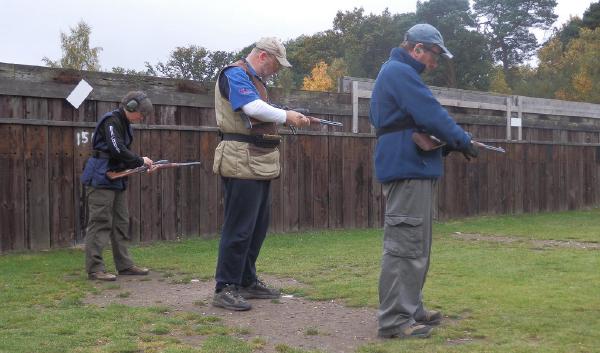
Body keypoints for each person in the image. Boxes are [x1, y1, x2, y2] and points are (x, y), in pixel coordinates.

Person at [369, 24, 478, 339]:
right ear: (417, 49)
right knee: (404, 247)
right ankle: (394, 320)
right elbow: (431, 114)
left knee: (416, 245)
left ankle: (411, 308)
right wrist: (462, 139)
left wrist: (455, 142)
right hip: (408, 169)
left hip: (413, 166)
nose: (436, 62)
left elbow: (420, 120)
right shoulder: (399, 73)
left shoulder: (399, 73)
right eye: (435, 54)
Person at [211, 37, 311, 311]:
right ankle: (225, 287)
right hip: (240, 159)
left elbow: (261, 111)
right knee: (239, 228)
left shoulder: (253, 80)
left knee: (256, 227)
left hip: (259, 160)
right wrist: (286, 115)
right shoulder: (235, 74)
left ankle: (246, 280)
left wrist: (286, 115)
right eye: (277, 64)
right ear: (264, 56)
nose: (277, 70)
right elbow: (251, 108)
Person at [80, 91, 155, 281]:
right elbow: (116, 149)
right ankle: (95, 269)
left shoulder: (125, 124)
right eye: (141, 113)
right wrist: (139, 160)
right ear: (130, 107)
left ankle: (125, 265)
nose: (142, 117)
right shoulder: (111, 121)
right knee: (100, 223)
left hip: (116, 178)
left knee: (121, 222)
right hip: (101, 177)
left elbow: (122, 154)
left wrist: (140, 164)